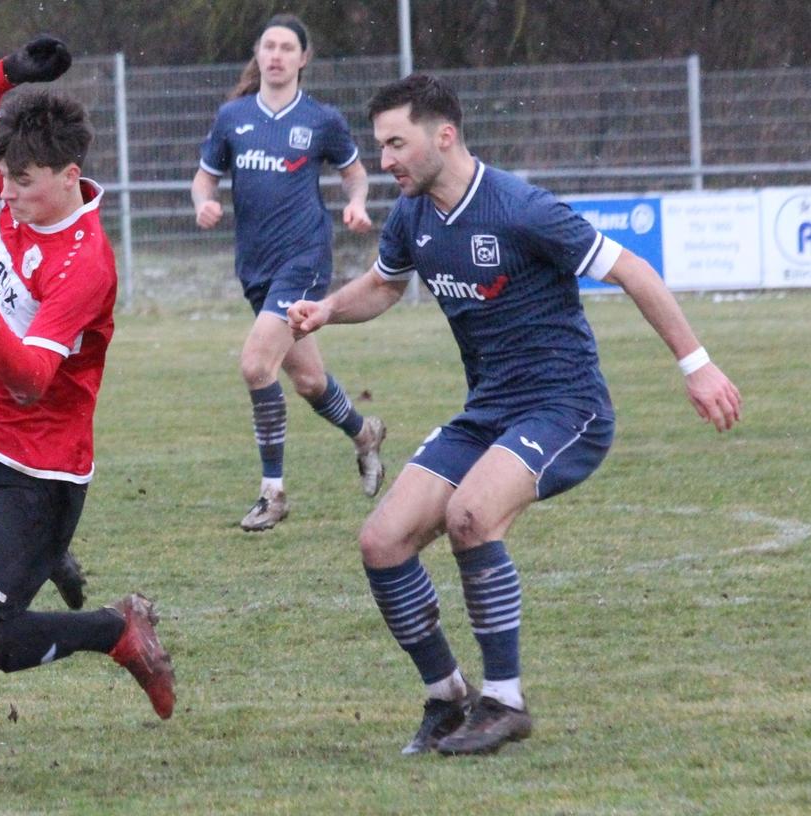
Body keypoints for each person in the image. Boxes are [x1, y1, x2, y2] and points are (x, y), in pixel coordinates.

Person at [288, 73, 742, 756]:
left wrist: (696, 364)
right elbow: (383, 285)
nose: (384, 161)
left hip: (566, 406)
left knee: (472, 515)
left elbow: (632, 271)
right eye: (379, 146)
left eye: (395, 144)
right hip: (489, 409)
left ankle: (505, 700)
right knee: (382, 541)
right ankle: (448, 698)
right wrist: (327, 309)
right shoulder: (414, 215)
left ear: (444, 135)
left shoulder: (521, 209)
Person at [0, 36, 175, 724]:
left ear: (69, 174)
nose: (10, 193)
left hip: (36, 472)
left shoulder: (86, 265)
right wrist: (12, 72)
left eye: (24, 183)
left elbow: (28, 380)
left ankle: (113, 630)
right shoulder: (20, 174)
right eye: (7, 180)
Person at [191, 13, 386, 532]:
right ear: (258, 55)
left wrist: (357, 204)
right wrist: (203, 204)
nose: (275, 55)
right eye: (267, 47)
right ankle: (365, 434)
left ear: (303, 58)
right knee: (308, 379)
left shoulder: (320, 119)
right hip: (254, 267)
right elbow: (203, 180)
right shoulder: (233, 117)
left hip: (303, 259)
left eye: (286, 48)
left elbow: (355, 174)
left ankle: (272, 494)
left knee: (257, 365)